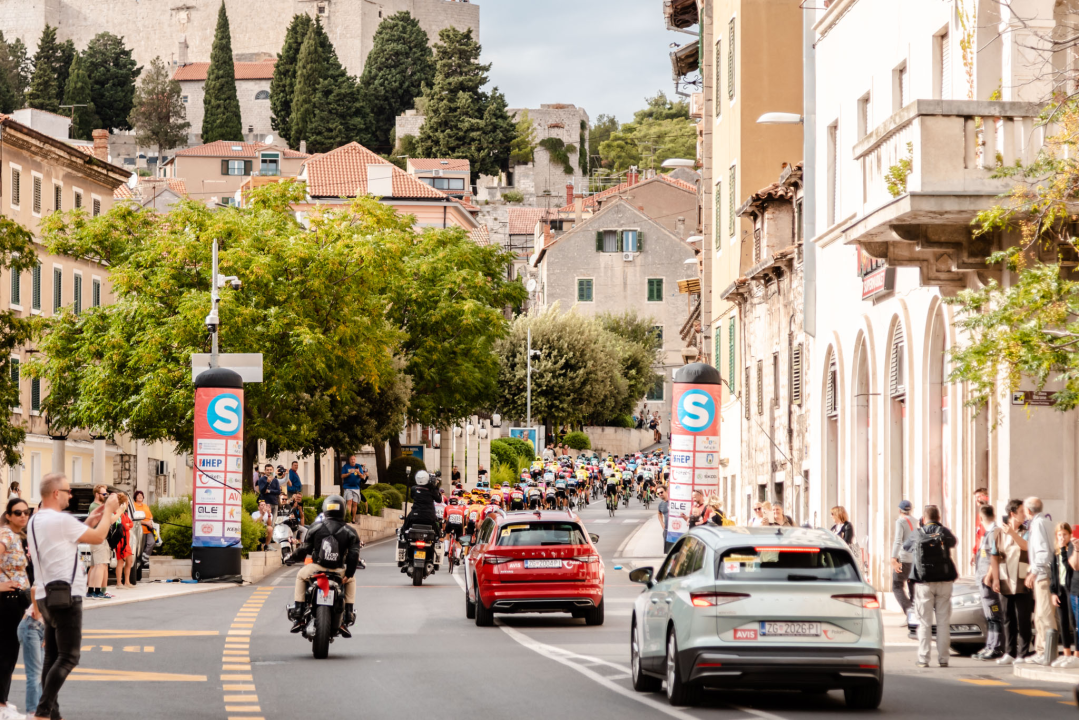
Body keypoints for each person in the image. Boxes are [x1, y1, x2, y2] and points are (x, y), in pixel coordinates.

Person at [28, 473, 119, 720]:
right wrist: (109, 510)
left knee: (52, 657)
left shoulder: (36, 520)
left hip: (47, 595)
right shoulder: (59, 520)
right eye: (68, 491)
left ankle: (52, 713)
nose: (71, 495)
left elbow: (68, 537)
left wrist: (90, 520)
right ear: (56, 493)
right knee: (69, 656)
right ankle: (43, 712)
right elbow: (99, 537)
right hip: (67, 596)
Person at [288, 495, 361, 637]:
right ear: (343, 510)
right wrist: (349, 574)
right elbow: (353, 556)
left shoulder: (315, 528)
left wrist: (291, 557)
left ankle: (298, 610)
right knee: (352, 580)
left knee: (300, 576)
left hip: (316, 568)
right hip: (339, 571)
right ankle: (348, 615)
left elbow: (304, 550)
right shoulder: (350, 531)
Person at [903, 504, 958, 668]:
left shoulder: (917, 533)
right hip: (944, 582)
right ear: (939, 518)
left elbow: (906, 546)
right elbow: (953, 542)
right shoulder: (944, 532)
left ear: (923, 519)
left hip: (923, 582)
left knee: (924, 623)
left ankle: (923, 658)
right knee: (943, 622)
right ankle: (943, 659)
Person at [1, 497, 31, 720]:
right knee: (6, 653)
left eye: (26, 512)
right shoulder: (5, 534)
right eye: (18, 512)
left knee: (9, 652)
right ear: (8, 515)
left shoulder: (17, 536)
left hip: (15, 601)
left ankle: (2, 701)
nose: (23, 516)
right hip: (6, 601)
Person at [999, 499, 1034, 665]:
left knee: (1023, 618)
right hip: (1005, 579)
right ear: (1012, 514)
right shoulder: (999, 533)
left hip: (1021, 580)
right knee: (1007, 617)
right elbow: (994, 554)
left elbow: (1026, 547)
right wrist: (992, 576)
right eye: (1021, 511)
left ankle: (1024, 652)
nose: (1024, 514)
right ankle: (1009, 651)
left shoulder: (1026, 531)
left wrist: (1013, 533)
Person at [1025, 496, 1059, 664]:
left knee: (1044, 615)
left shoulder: (1038, 524)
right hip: (1044, 574)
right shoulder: (1044, 522)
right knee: (1040, 615)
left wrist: (1034, 571)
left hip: (1044, 576)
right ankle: (1041, 651)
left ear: (1028, 511)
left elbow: (1043, 552)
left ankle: (1047, 651)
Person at [973, 504, 1005, 661]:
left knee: (994, 614)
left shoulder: (994, 532)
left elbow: (996, 557)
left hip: (988, 579)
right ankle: (990, 645)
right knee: (989, 615)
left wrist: (989, 575)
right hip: (984, 579)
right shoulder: (988, 533)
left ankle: (997, 646)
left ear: (980, 517)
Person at [1050, 522, 1078, 667]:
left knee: (1074, 622)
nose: (1062, 538)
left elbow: (1068, 567)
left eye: (1064, 535)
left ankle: (1076, 654)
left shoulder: (1072, 550)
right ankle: (1066, 652)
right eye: (1059, 535)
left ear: (1069, 535)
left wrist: (1063, 549)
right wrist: (1053, 591)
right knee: (1063, 622)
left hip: (1071, 589)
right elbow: (1053, 574)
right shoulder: (1055, 552)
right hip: (1060, 589)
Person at [891, 500, 917, 620]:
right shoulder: (916, 521)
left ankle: (910, 613)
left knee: (896, 586)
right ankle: (915, 617)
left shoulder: (900, 521)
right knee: (913, 588)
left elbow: (898, 540)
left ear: (899, 510)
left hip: (904, 559)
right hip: (915, 559)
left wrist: (893, 557)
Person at [85, 485, 112, 599]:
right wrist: (119, 511)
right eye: (103, 494)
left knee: (95, 566)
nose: (105, 496)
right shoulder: (95, 506)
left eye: (106, 494)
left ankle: (91, 590)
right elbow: (108, 521)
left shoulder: (95, 506)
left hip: (95, 538)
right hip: (99, 538)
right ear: (97, 494)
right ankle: (97, 591)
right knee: (100, 565)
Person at [114, 494, 135, 589]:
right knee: (120, 562)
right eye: (127, 503)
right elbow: (124, 526)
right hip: (120, 541)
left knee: (129, 561)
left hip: (126, 541)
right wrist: (127, 525)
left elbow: (131, 524)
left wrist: (127, 525)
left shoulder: (125, 513)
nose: (128, 504)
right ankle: (119, 583)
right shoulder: (117, 513)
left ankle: (127, 581)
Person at [132, 491, 155, 569]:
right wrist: (146, 523)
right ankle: (140, 563)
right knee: (140, 547)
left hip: (148, 529)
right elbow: (135, 518)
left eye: (141, 495)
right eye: (138, 495)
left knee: (152, 542)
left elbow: (150, 516)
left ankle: (144, 559)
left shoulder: (145, 506)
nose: (140, 496)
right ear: (135, 497)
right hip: (139, 529)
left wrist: (150, 522)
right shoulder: (133, 506)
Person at [339, 455, 366, 520]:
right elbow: (342, 476)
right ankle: (347, 517)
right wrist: (349, 473)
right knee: (349, 502)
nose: (353, 461)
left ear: (355, 460)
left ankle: (353, 519)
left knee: (355, 503)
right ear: (349, 460)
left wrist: (358, 472)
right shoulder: (346, 466)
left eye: (354, 459)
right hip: (348, 487)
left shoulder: (358, 466)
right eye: (351, 459)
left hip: (356, 488)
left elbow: (362, 477)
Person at [656, 486, 672, 554]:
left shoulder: (673, 501)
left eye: (661, 492)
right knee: (668, 552)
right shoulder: (661, 504)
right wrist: (662, 524)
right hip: (666, 531)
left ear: (666, 491)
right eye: (658, 493)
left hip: (675, 530)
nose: (660, 494)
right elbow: (659, 514)